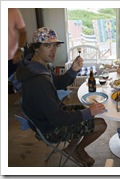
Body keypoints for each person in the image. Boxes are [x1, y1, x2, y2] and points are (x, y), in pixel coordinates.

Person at [16, 27, 107, 167]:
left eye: (55, 45)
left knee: (86, 110)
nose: (53, 50)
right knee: (101, 124)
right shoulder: (38, 80)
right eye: (47, 45)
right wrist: (89, 113)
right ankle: (78, 148)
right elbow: (57, 118)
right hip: (51, 129)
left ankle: (72, 148)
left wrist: (73, 70)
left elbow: (57, 82)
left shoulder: (35, 66)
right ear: (36, 48)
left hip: (47, 118)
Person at [8, 8, 27, 78]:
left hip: (12, 59)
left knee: (18, 86)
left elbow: (23, 32)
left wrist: (19, 50)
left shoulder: (12, 10)